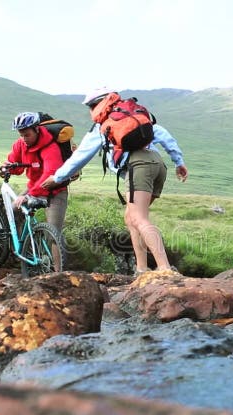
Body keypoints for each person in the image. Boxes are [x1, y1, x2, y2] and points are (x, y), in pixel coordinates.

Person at [41, 88, 188, 275]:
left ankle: (165, 269)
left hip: (139, 166)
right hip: (157, 164)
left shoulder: (104, 125)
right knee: (131, 217)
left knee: (139, 218)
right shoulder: (134, 115)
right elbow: (163, 135)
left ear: (95, 106)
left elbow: (80, 156)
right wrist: (179, 162)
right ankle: (141, 268)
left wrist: (57, 177)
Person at [2, 111, 69, 233]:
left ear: (37, 130)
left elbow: (50, 174)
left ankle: (53, 250)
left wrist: (28, 196)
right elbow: (16, 166)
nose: (24, 139)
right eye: (21, 135)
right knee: (12, 212)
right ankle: (21, 248)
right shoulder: (20, 144)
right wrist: (7, 168)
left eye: (27, 135)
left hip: (55, 191)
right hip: (34, 186)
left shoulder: (50, 147)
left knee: (53, 234)